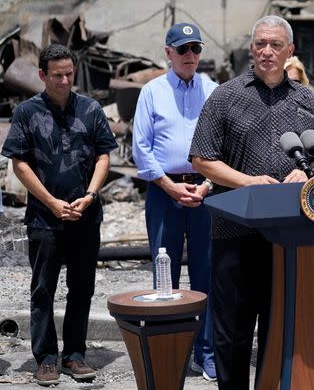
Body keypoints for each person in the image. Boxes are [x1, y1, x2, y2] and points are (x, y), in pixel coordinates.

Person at [189, 15, 314, 389]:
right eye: (260, 44)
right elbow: (202, 158)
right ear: (251, 49)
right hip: (234, 230)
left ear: (290, 51)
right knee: (233, 329)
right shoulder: (225, 96)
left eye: (275, 45)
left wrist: (309, 174)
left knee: (279, 326)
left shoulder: (306, 100)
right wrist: (249, 182)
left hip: (288, 236)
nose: (267, 51)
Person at [1, 44, 117, 386]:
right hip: (44, 218)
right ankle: (46, 359)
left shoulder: (92, 109)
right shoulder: (26, 113)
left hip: (85, 215)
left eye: (69, 74)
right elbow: (19, 164)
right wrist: (51, 202)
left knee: (82, 288)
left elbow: (104, 157)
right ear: (42, 75)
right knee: (42, 290)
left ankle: (75, 356)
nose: (65, 80)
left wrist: (90, 195)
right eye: (57, 75)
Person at [132, 22, 218, 381]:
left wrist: (208, 184)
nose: (190, 56)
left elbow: (224, 146)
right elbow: (141, 148)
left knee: (207, 273)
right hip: (164, 194)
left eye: (196, 49)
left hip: (204, 193)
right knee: (165, 274)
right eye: (183, 50)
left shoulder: (214, 91)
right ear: (168, 53)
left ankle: (206, 351)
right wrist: (169, 186)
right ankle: (169, 347)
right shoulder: (151, 92)